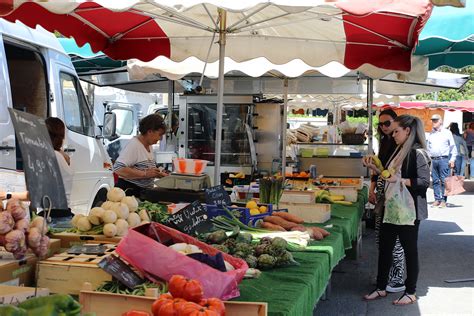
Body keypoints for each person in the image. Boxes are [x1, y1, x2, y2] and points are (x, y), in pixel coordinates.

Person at [364, 115, 431, 305]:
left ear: (407, 131)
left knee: (410, 252)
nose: (393, 135)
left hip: (408, 212)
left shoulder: (418, 153)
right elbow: (389, 175)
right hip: (391, 208)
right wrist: (376, 170)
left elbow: (425, 182)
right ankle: (381, 287)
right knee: (385, 250)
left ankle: (411, 292)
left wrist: (400, 181)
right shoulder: (399, 151)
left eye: (396, 131)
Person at [365, 109, 406, 293]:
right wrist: (373, 188)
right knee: (381, 237)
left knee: (395, 239)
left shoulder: (402, 145)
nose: (384, 128)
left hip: (395, 197)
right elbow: (379, 170)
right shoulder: (385, 142)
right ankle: (386, 275)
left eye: (387, 124)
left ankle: (397, 279)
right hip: (383, 195)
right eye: (380, 125)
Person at [113, 114, 169, 197]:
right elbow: (118, 168)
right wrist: (145, 174)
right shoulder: (134, 145)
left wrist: (157, 173)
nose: (160, 138)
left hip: (142, 193)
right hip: (129, 193)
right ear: (150, 131)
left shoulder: (149, 144)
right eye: (159, 134)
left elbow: (144, 168)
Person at [426, 114, 457, 208]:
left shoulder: (447, 132)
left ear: (441, 121)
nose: (433, 122)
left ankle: (443, 200)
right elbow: (428, 147)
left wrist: (452, 159)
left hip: (443, 159)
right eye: (433, 120)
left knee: (444, 181)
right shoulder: (431, 134)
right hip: (433, 160)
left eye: (435, 120)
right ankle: (437, 199)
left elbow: (453, 147)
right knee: (435, 181)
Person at [45, 117, 73, 206]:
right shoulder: (60, 156)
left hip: (52, 214)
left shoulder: (50, 156)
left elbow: (37, 193)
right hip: (62, 212)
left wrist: (7, 195)